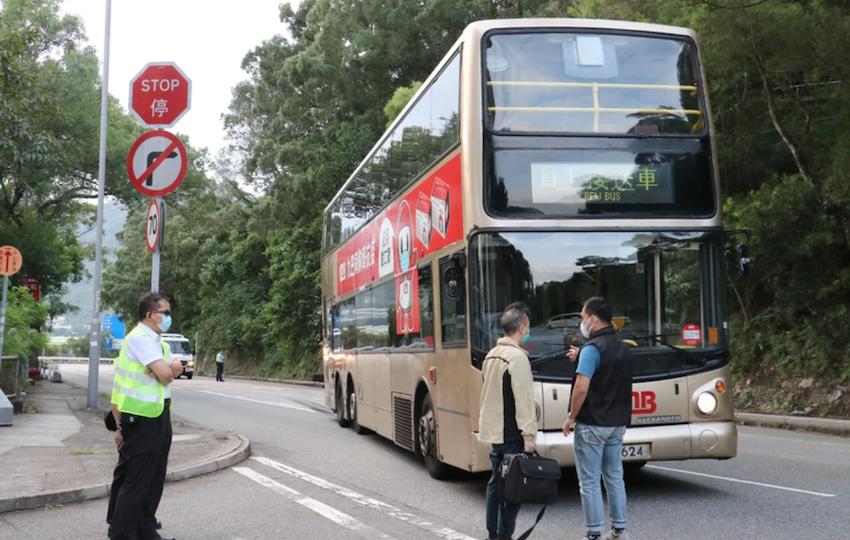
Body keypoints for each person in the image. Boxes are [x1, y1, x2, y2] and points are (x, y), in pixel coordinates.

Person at [107, 292, 184, 540]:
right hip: (140, 418)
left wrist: (170, 367)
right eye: (165, 313)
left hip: (158, 415)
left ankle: (146, 529)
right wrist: (168, 369)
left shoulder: (159, 342)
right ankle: (122, 534)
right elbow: (168, 375)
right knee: (137, 480)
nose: (169, 317)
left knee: (154, 478)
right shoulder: (139, 339)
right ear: (151, 314)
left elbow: (176, 367)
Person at [563, 297, 633, 540]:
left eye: (583, 317)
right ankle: (619, 530)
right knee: (614, 476)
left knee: (590, 481)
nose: (582, 322)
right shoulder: (622, 347)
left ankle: (594, 534)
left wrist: (571, 416)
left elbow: (581, 388)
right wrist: (582, 354)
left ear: (593, 318)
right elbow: (609, 370)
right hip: (617, 423)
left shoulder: (592, 350)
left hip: (592, 423)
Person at [479, 302, 538, 540]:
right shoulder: (517, 358)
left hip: (495, 431)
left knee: (496, 483)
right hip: (513, 432)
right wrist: (529, 435)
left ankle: (492, 533)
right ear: (522, 328)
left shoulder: (491, 355)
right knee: (513, 486)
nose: (528, 331)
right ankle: (505, 534)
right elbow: (523, 399)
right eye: (528, 327)